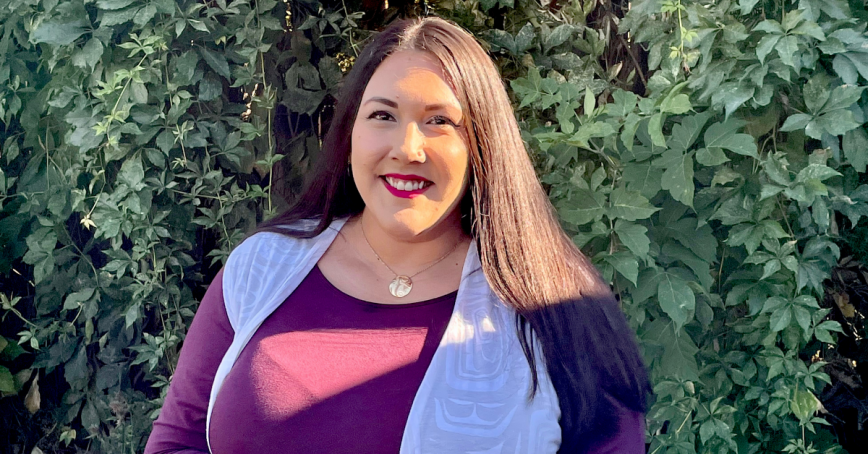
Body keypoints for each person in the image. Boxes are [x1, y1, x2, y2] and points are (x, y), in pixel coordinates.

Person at [144, 16, 650, 454]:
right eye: (383, 115)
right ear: (349, 134)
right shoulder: (262, 268)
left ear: (483, 148)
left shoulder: (557, 305)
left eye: (439, 122)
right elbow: (177, 440)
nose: (407, 147)